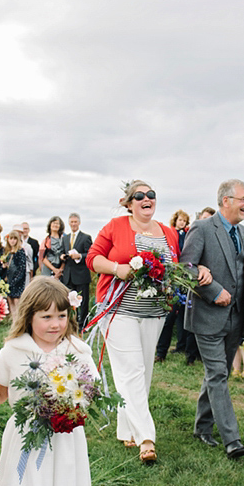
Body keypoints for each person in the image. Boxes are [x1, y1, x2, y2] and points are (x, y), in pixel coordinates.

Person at [0, 277, 96, 486]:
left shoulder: (76, 350)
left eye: (61, 316)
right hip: (26, 436)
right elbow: (0, 392)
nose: (55, 324)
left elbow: (90, 390)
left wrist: (75, 403)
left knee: (63, 485)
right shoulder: (14, 351)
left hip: (64, 436)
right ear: (29, 316)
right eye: (46, 317)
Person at [87, 181, 180, 465]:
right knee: (131, 370)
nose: (146, 199)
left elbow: (175, 266)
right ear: (129, 203)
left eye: (151, 195)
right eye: (139, 196)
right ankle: (146, 438)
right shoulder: (115, 226)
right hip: (118, 310)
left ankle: (127, 429)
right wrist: (118, 269)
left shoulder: (170, 233)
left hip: (154, 312)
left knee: (144, 373)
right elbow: (93, 259)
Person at [181, 179, 244, 459]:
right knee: (217, 375)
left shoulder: (243, 232)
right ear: (226, 200)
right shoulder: (202, 228)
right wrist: (214, 291)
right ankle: (232, 440)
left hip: (237, 319)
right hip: (208, 317)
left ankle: (202, 428)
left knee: (218, 374)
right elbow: (186, 268)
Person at [155, 210, 192, 362]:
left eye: (184, 221)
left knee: (185, 316)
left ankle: (184, 348)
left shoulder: (189, 235)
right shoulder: (169, 234)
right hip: (174, 276)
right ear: (175, 220)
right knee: (169, 316)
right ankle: (161, 351)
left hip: (187, 277)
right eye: (180, 220)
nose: (182, 223)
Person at [61, 213, 93, 329]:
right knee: (69, 300)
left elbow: (90, 254)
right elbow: (63, 251)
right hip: (68, 275)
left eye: (75, 222)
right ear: (69, 223)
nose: (73, 224)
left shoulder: (86, 237)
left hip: (81, 274)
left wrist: (79, 256)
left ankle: (83, 324)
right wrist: (62, 256)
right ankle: (70, 323)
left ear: (79, 223)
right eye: (71, 222)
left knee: (83, 301)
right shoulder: (65, 238)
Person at [2, 229, 29, 320]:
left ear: (17, 240)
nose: (12, 241)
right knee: (10, 302)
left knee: (17, 302)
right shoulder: (8, 252)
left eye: (14, 239)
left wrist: (15, 280)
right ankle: (14, 321)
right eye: (10, 239)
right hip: (8, 280)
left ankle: (19, 321)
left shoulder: (20, 251)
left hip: (17, 281)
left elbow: (22, 268)